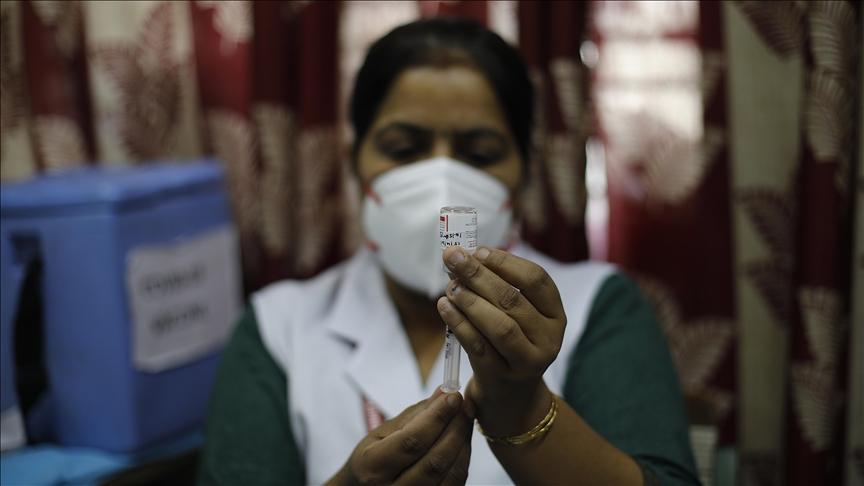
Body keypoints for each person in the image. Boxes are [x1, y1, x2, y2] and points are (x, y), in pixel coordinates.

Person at [198, 17, 699, 486]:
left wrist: (522, 408)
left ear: (525, 172)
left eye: (479, 155)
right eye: (402, 148)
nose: (442, 182)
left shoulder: (598, 305)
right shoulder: (278, 326)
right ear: (354, 163)